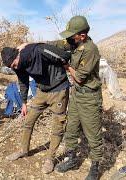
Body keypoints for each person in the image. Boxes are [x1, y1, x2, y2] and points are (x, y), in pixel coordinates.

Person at [1, 43, 71, 174]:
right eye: (11, 67)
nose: (14, 67)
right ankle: (24, 150)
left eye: (14, 65)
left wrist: (64, 66)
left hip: (59, 90)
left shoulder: (38, 50)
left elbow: (64, 55)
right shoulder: (17, 65)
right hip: (41, 91)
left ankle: (50, 159)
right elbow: (23, 82)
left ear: (18, 55)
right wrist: (23, 103)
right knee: (29, 120)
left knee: (58, 125)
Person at [50, 16, 102, 180]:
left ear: (82, 35)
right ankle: (72, 159)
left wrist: (66, 66)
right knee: (71, 129)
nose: (70, 38)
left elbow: (79, 78)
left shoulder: (90, 50)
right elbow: (59, 44)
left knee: (93, 134)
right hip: (77, 95)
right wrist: (36, 46)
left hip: (89, 98)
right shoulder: (75, 43)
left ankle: (95, 167)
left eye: (73, 35)